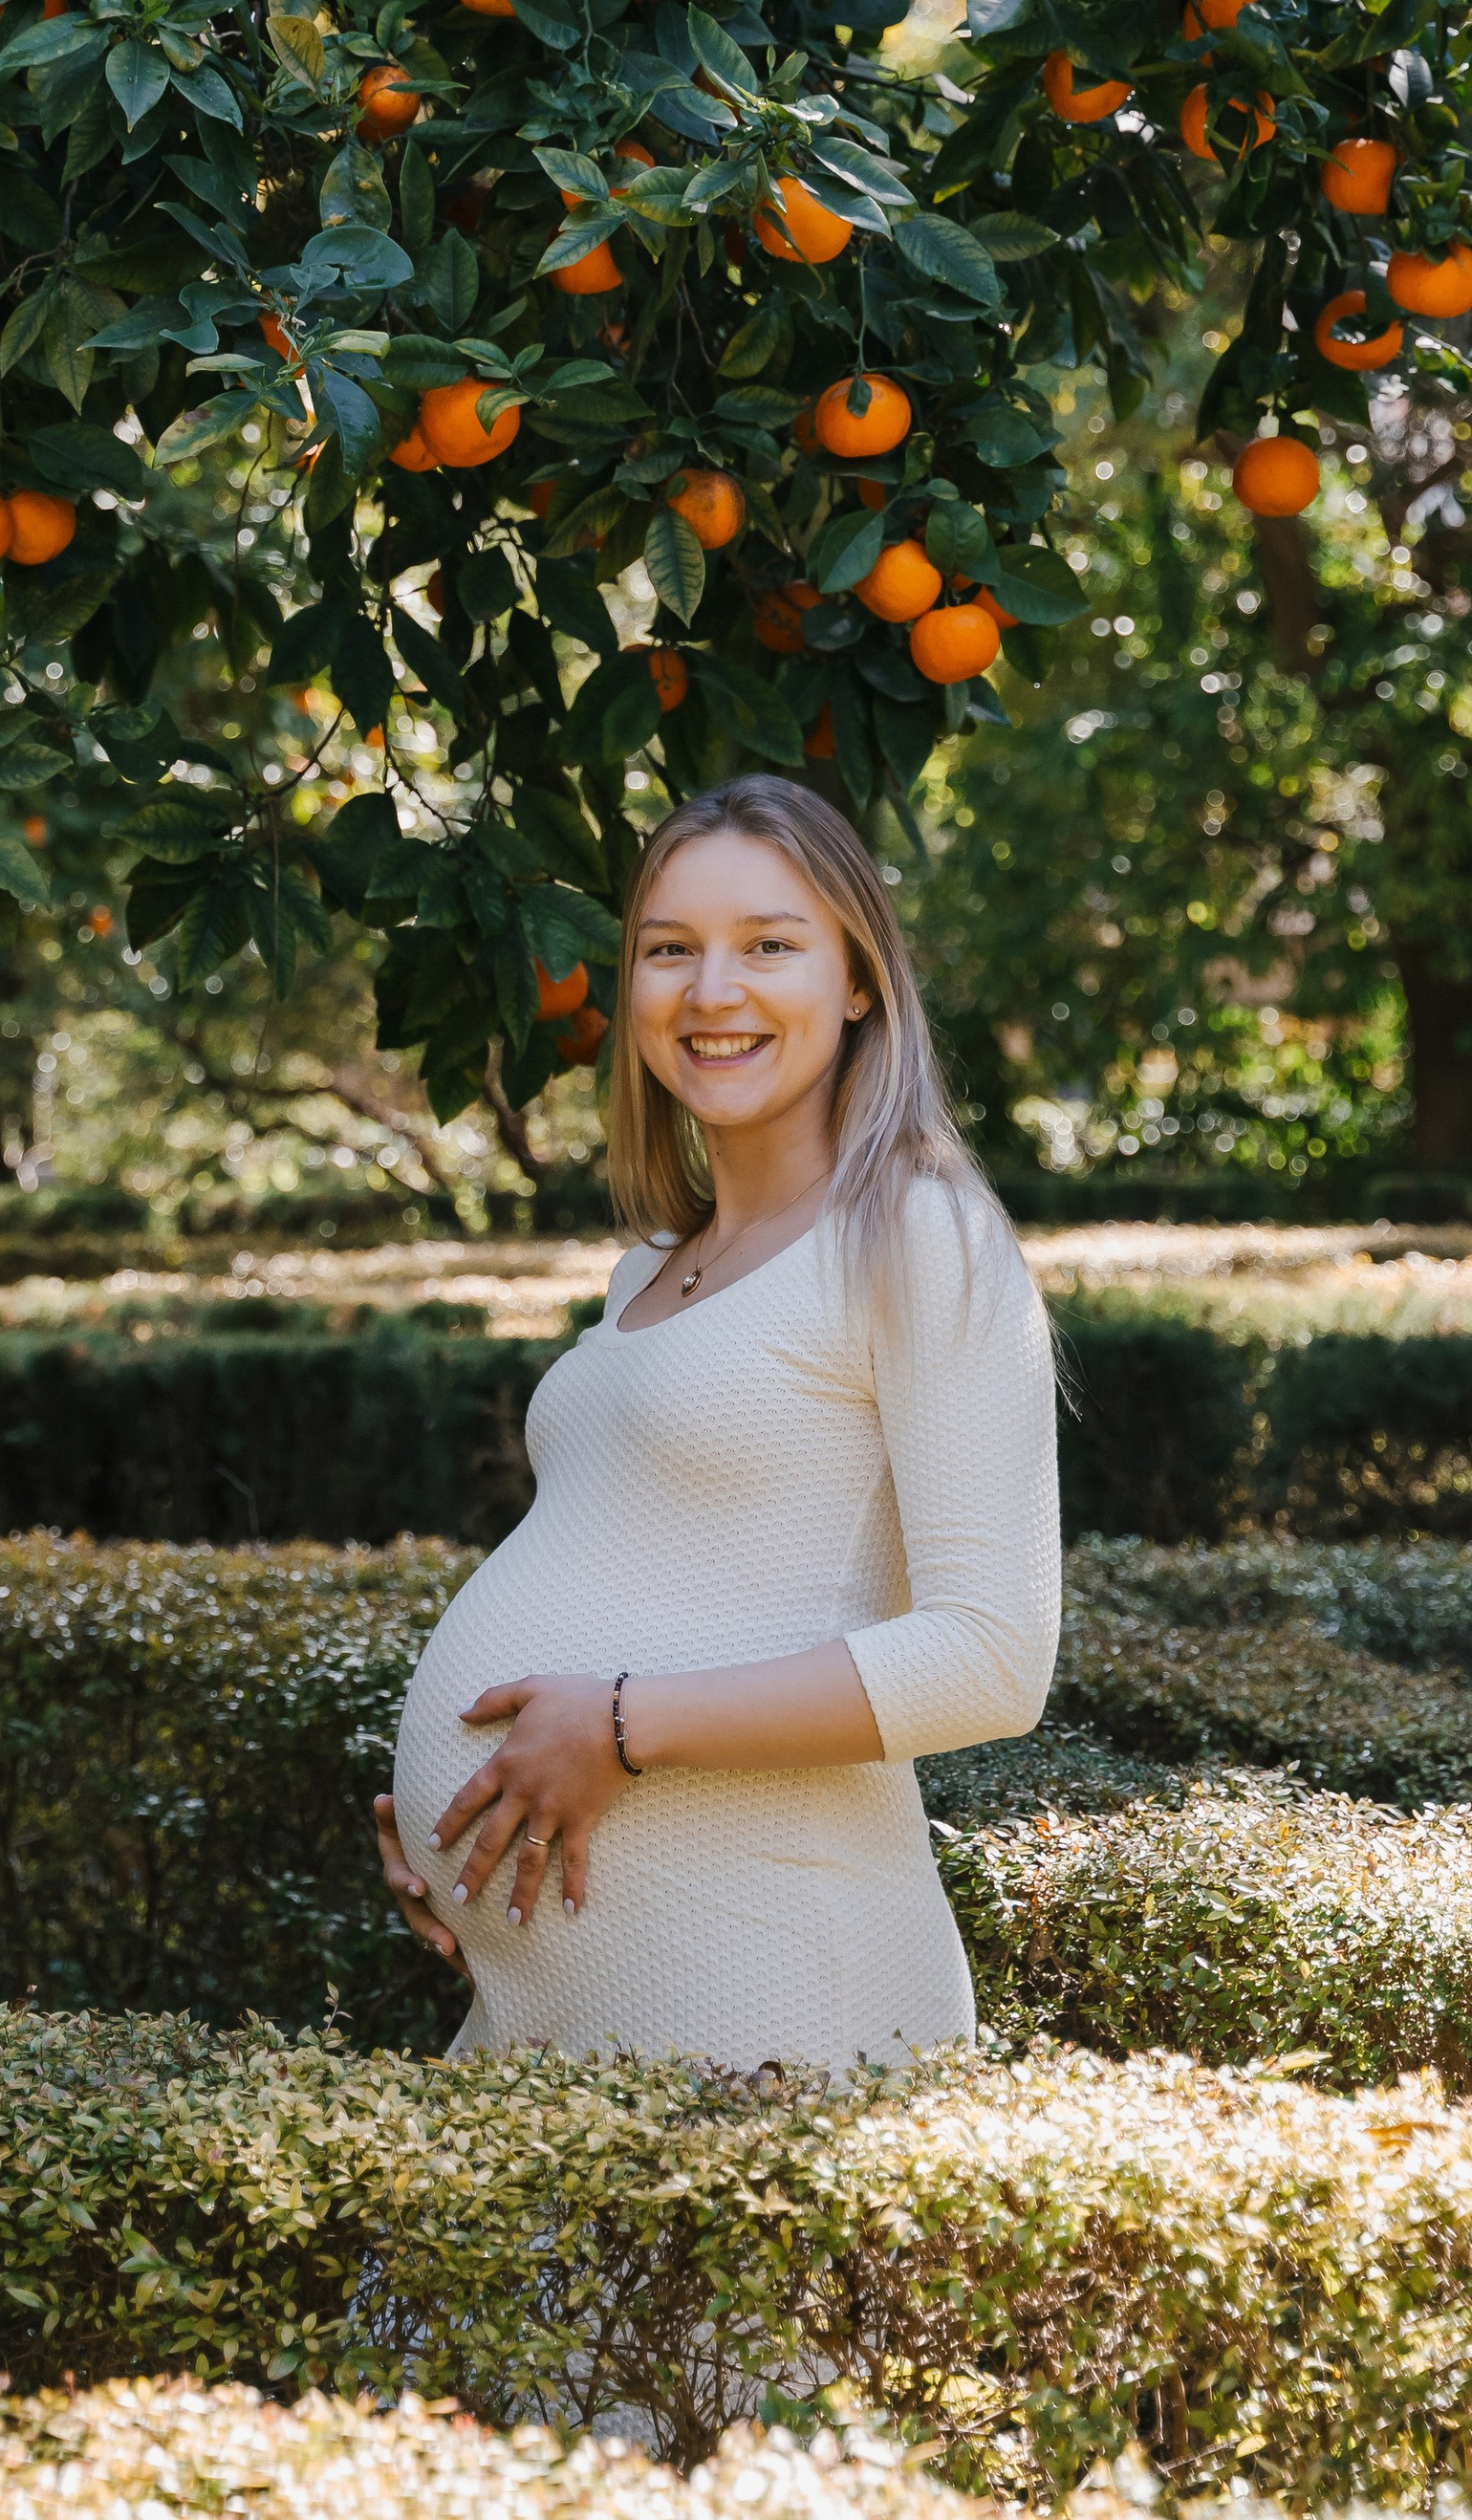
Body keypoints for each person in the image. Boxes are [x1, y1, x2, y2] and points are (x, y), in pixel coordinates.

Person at [373, 772, 1060, 2074]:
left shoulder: (922, 1236)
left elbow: (992, 1656)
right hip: (552, 2006)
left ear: (859, 982)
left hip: (769, 1977)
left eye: (770, 946)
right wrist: (469, 1805)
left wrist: (619, 1727)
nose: (712, 992)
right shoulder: (651, 1265)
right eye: (669, 949)